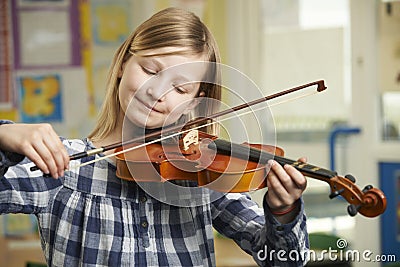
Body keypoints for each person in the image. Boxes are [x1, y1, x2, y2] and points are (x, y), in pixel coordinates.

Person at [0, 7, 308, 267]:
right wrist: (4, 135)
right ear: (123, 64)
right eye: (150, 70)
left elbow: (285, 260)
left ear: (195, 100)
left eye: (180, 89)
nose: (158, 93)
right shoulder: (62, 167)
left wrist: (283, 210)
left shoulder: (201, 173)